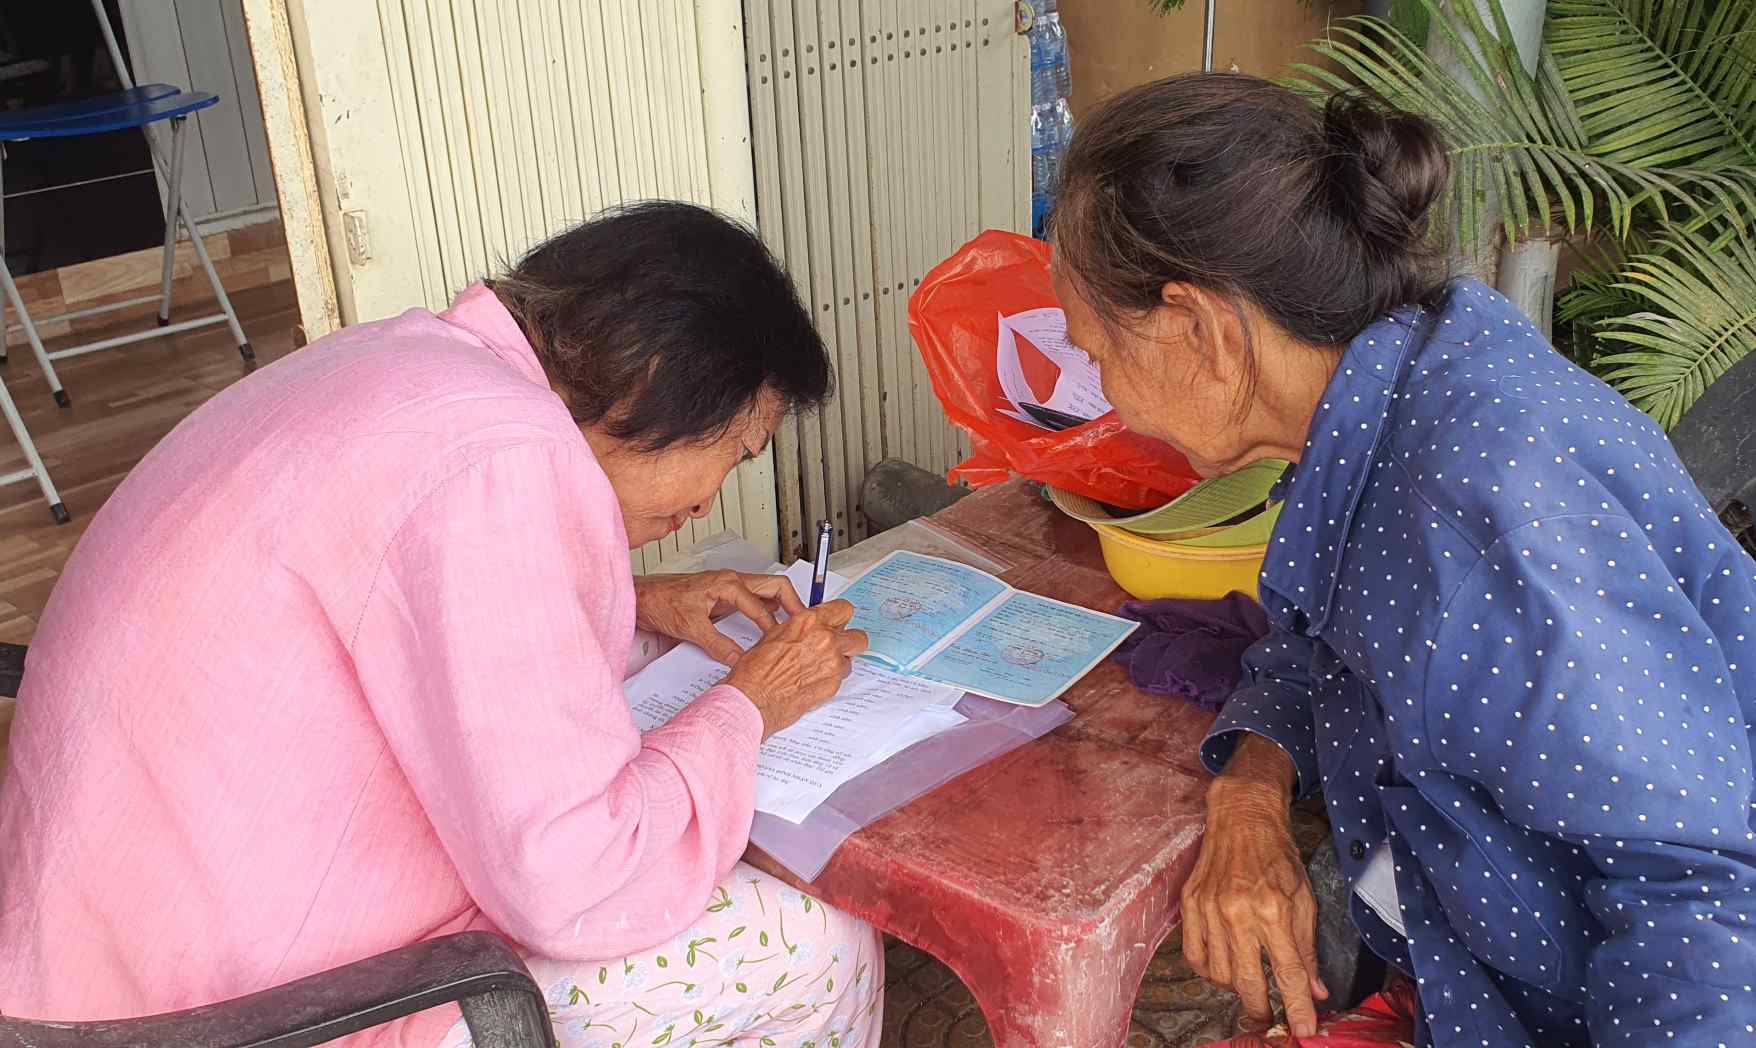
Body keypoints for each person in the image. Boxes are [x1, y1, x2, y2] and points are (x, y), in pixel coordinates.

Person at [0, 202, 884, 1047]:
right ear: (659, 381)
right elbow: (576, 880)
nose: (709, 499)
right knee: (815, 946)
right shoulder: (499, 458)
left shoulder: (419, 366)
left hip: (82, 955)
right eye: (735, 451)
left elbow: (382, 593)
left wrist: (641, 596)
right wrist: (751, 704)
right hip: (226, 1014)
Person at [1050, 73, 1756, 1046]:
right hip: (1466, 981)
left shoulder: (1483, 507)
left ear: (1201, 329)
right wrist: (1251, 789)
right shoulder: (1386, 394)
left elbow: (1700, 905)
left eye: (1097, 353)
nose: (1107, 399)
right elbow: (1314, 640)